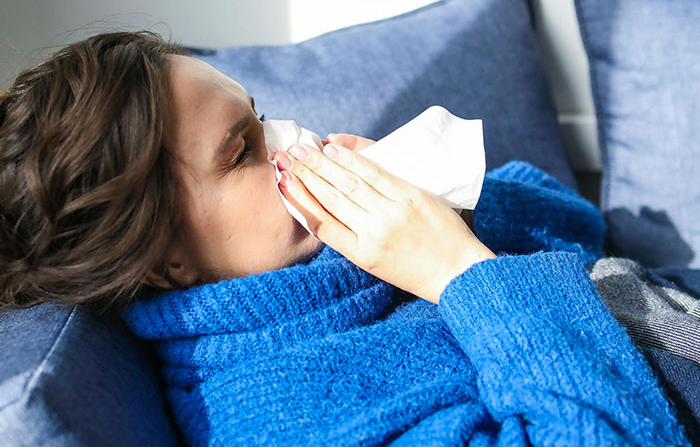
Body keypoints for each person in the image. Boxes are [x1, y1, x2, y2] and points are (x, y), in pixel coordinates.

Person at [0, 31, 689, 445]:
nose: (294, 139)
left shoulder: (334, 259)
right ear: (164, 258)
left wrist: (446, 201)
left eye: (262, 116)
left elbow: (581, 229)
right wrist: (458, 273)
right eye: (243, 151)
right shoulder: (276, 414)